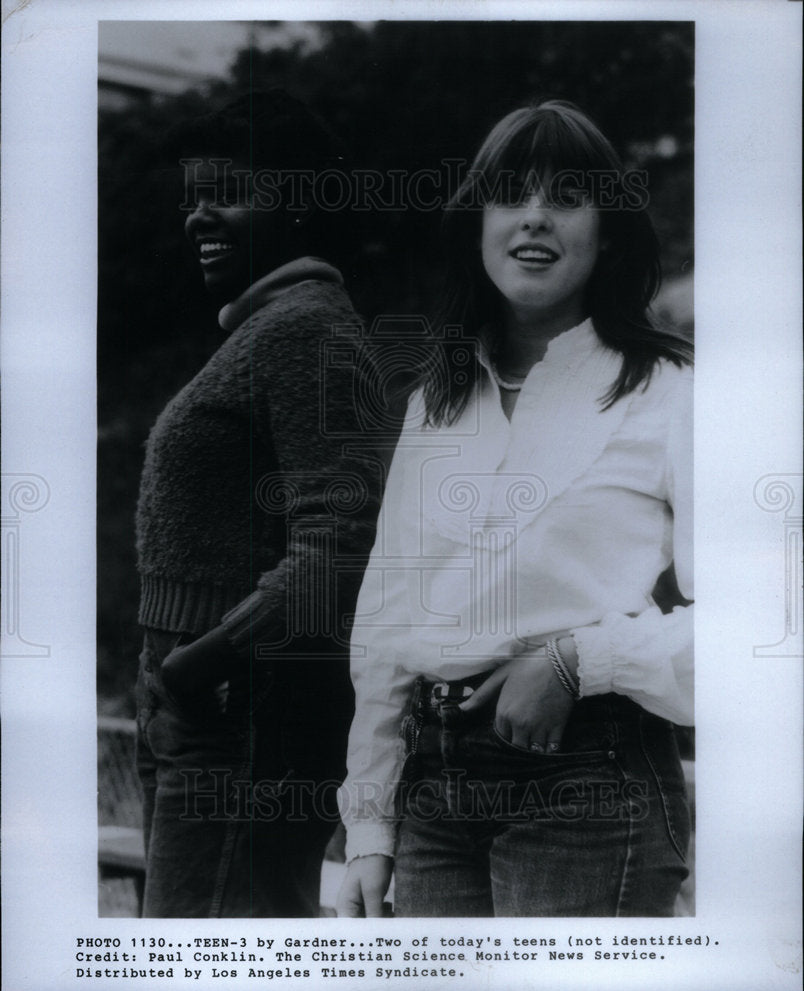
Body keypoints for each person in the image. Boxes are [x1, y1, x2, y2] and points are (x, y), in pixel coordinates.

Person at [336, 100, 693, 918]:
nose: (534, 216)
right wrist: (369, 826)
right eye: (511, 194)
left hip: (588, 788)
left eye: (567, 196)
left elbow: (764, 626)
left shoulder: (674, 391)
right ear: (478, 222)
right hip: (433, 799)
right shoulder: (441, 396)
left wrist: (578, 662)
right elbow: (389, 622)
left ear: (608, 230)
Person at [134, 89, 381, 917]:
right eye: (191, 197)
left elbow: (340, 544)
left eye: (227, 192)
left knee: (205, 960)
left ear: (303, 203)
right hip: (209, 704)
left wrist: (198, 663)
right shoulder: (264, 328)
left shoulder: (307, 329)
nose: (198, 217)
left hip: (244, 710)